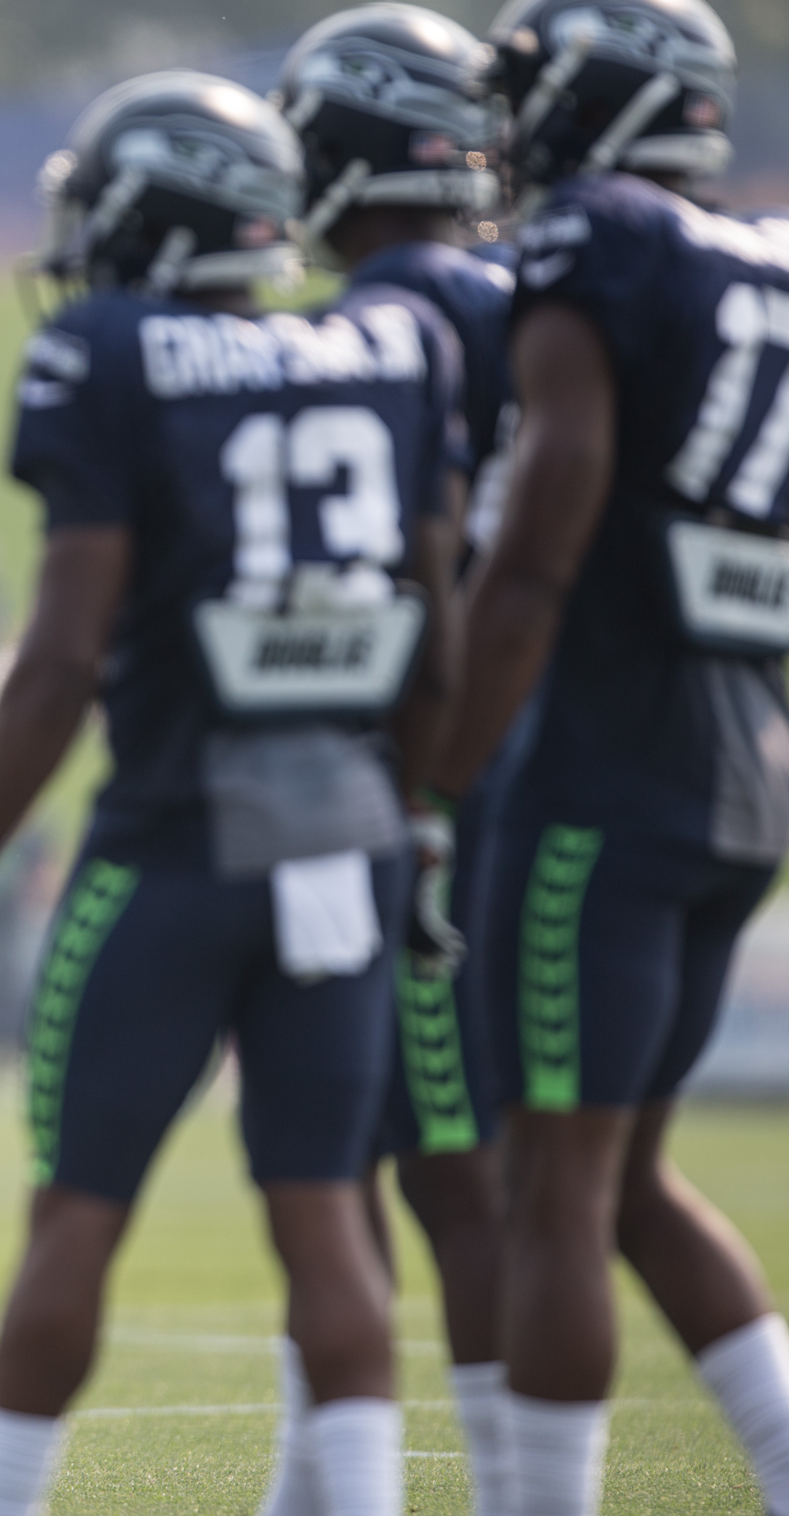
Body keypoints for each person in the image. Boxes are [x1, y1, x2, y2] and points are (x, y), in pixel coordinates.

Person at [0, 70, 468, 1516]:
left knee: (75, 1216)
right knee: (326, 1212)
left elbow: (70, 650)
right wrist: (419, 815)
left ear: (154, 210)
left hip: (175, 844)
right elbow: (435, 626)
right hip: (350, 837)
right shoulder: (389, 343)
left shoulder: (109, 350)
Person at [427, 1, 789, 1510]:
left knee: (546, 1185)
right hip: (738, 765)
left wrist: (435, 774)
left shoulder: (604, 237)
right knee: (623, 1176)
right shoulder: (766, 261)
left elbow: (549, 516)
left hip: (602, 766)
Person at [267, 9, 516, 1512]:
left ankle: (512, 1486)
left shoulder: (400, 312)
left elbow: (435, 573)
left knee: (428, 1161)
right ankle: (315, 1483)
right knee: (351, 1150)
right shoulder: (503, 293)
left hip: (435, 770)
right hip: (506, 752)